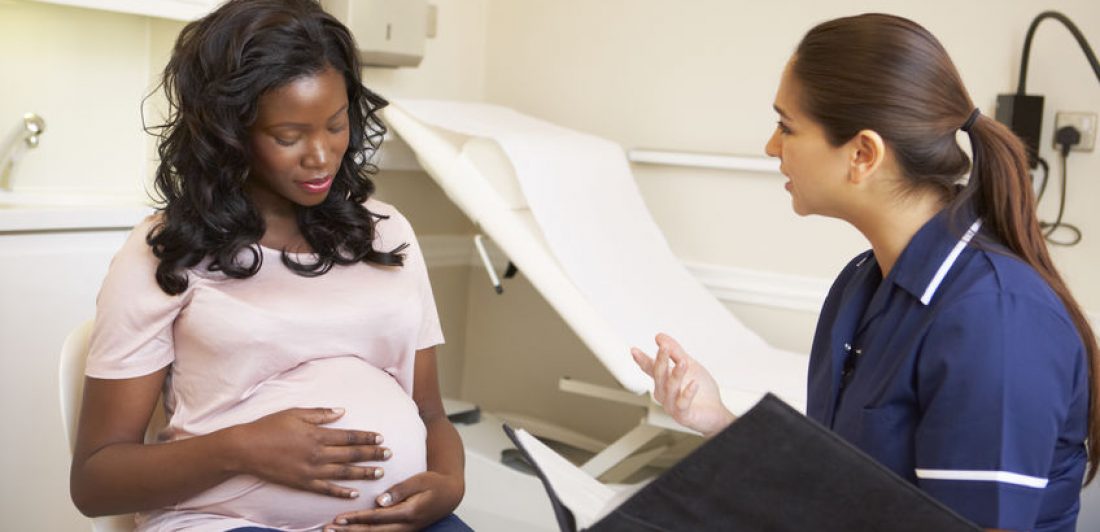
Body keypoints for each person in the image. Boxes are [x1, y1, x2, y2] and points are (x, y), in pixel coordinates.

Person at [631, 13, 1097, 532]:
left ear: (862, 153)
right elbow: (834, 488)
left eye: (787, 127)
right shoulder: (862, 285)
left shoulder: (996, 320)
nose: (771, 147)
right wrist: (713, 418)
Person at [68, 1, 470, 531]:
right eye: (289, 137)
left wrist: (448, 484)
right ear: (228, 133)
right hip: (221, 521)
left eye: (336, 124)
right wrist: (241, 449)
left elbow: (430, 414)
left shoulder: (386, 232)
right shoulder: (165, 251)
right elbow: (96, 482)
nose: (322, 156)